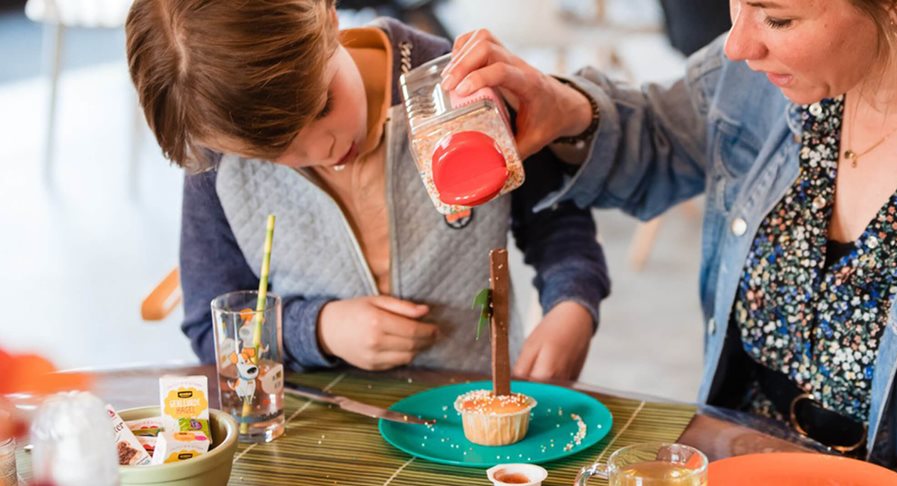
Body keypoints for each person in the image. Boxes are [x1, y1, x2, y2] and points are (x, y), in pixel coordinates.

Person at [440, 0, 897, 482]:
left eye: (777, 16)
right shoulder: (765, 76)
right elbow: (663, 133)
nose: (739, 44)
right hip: (722, 457)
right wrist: (566, 106)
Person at [123, 0, 610, 380]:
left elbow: (557, 221)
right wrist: (319, 329)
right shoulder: (220, 154)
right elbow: (213, 328)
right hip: (316, 428)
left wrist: (572, 305)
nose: (325, 148)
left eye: (321, 107)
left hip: (471, 400)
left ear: (330, 19)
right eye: (276, 154)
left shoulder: (463, 86)